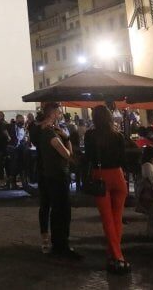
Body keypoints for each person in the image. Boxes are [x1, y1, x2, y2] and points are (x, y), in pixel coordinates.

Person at [85, 105, 129, 274]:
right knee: (117, 218)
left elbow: (88, 157)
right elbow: (123, 159)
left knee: (107, 219)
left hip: (100, 176)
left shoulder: (91, 135)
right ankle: (114, 255)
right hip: (118, 176)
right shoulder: (117, 135)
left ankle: (117, 257)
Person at [33, 103, 78, 258]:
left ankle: (52, 241)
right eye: (58, 112)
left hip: (46, 172)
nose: (60, 115)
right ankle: (59, 244)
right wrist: (67, 139)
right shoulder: (49, 133)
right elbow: (68, 154)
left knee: (52, 208)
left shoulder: (42, 130)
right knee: (60, 210)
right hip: (56, 174)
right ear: (52, 114)